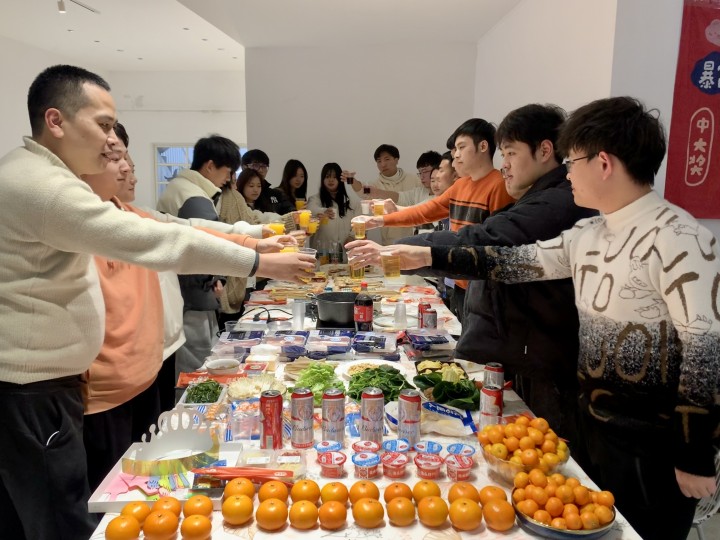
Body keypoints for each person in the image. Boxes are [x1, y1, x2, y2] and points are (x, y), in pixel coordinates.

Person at [366, 97, 720, 540]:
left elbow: (706, 352)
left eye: (572, 162)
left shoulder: (680, 237)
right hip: (591, 423)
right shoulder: (590, 232)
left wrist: (694, 453)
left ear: (603, 163)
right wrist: (422, 255)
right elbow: (514, 262)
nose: (567, 174)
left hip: (654, 441)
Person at [0, 64, 315, 540]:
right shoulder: (41, 186)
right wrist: (258, 262)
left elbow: (174, 228)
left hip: (54, 384)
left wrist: (253, 243)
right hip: (34, 389)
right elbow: (157, 240)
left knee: (67, 504)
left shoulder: (45, 176)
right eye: (104, 126)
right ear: (56, 121)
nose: (113, 144)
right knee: (60, 515)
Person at [349, 104, 597, 449]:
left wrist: (411, 252)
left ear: (544, 151)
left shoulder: (552, 202)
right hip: (525, 343)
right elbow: (437, 216)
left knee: (546, 448)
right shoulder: (527, 194)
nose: (504, 163)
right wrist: (398, 238)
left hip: (545, 352)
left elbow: (485, 240)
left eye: (510, 153)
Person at [357, 119, 515, 321]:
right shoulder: (461, 185)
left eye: (461, 147)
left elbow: (498, 243)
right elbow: (425, 211)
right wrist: (380, 220)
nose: (456, 154)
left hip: (484, 286)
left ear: (483, 146)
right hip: (458, 281)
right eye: (455, 149)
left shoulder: (499, 185)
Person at [345, 144, 422, 244]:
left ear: (396, 160)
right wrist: (352, 181)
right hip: (389, 242)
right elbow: (362, 191)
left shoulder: (414, 180)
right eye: (379, 161)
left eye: (387, 159)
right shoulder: (376, 185)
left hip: (414, 239)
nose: (383, 164)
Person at [307, 162, 362, 252]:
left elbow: (361, 223)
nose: (331, 180)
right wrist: (323, 211)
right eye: (327, 177)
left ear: (340, 179)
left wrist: (352, 237)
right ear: (323, 179)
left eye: (334, 177)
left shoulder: (352, 203)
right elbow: (310, 210)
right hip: (322, 254)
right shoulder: (314, 199)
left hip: (345, 254)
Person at [241, 148, 295, 215]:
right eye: (256, 165)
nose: (260, 170)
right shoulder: (235, 196)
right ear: (244, 167)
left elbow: (291, 212)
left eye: (264, 166)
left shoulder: (275, 194)